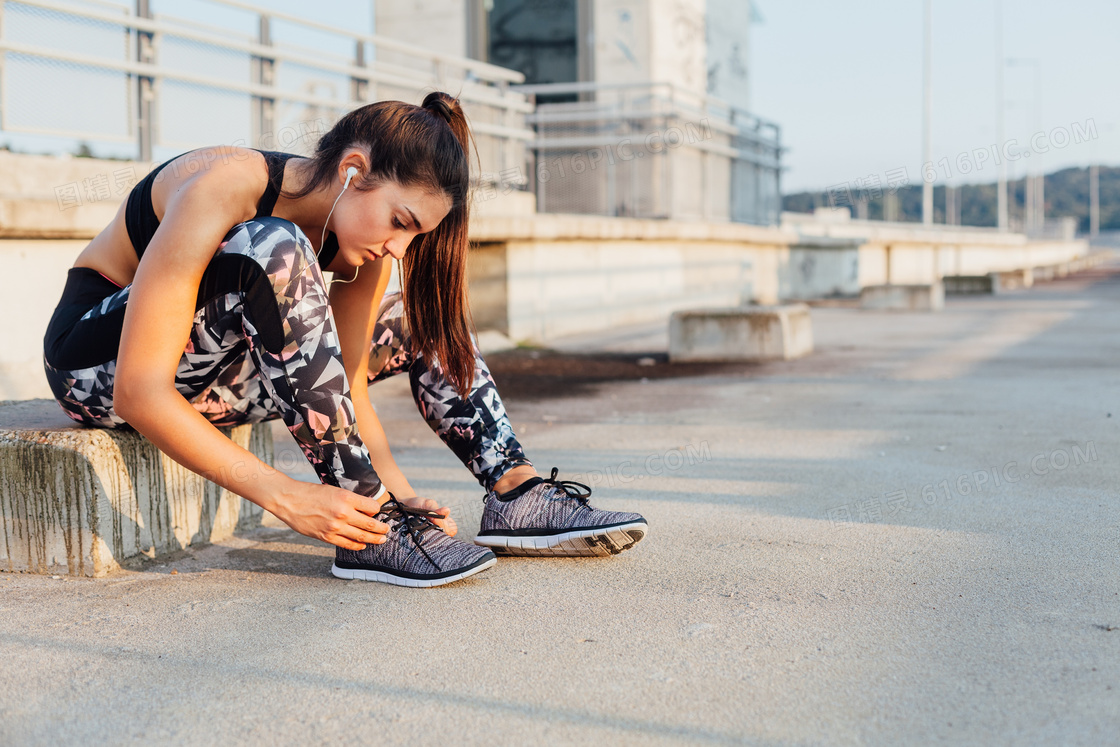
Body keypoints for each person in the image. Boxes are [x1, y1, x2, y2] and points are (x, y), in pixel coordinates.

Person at [42, 92, 647, 588]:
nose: (398, 248)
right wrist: (287, 497)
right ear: (354, 170)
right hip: (94, 365)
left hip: (217, 376)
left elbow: (346, 382)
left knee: (417, 316)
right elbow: (138, 391)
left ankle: (513, 490)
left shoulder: (361, 247)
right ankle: (369, 532)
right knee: (273, 246)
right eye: (400, 224)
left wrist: (403, 495)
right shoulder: (227, 185)